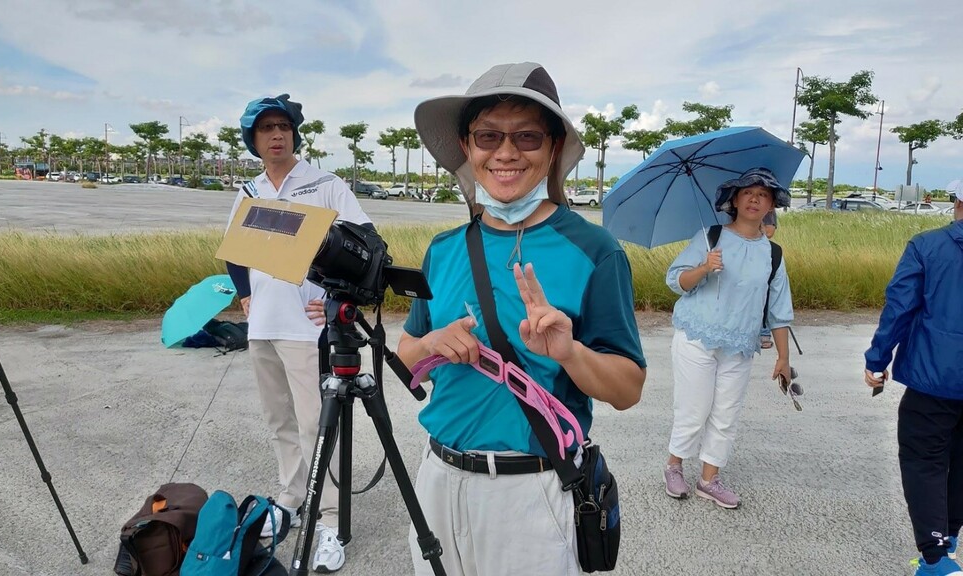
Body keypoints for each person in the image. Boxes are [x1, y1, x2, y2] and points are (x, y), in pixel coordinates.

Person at [397, 62, 647, 575]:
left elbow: (627, 389)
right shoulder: (443, 250)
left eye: (527, 136)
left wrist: (570, 353)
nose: (506, 152)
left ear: (553, 147)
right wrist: (432, 344)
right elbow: (406, 356)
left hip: (532, 491)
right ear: (467, 147)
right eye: (489, 135)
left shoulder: (595, 251)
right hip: (437, 480)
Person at [225, 94, 372, 573]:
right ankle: (291, 497)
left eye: (282, 127)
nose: (275, 136)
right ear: (254, 139)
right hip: (262, 326)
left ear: (294, 133)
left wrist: (336, 298)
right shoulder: (248, 191)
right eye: (265, 129)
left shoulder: (324, 185)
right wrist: (245, 293)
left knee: (316, 423)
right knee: (279, 420)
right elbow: (234, 250)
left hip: (306, 331)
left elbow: (366, 245)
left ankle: (328, 517)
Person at [662, 167, 794, 509]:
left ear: (771, 205)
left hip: (739, 345)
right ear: (733, 199)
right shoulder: (711, 237)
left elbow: (780, 310)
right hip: (697, 337)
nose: (755, 198)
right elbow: (676, 281)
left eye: (763, 195)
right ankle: (674, 466)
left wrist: (784, 358)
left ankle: (709, 479)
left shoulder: (773, 254)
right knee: (693, 408)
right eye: (748, 192)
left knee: (726, 414)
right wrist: (704, 268)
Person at [863, 194, 963, 576]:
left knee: (925, 461)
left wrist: (877, 358)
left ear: (957, 203)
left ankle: (936, 558)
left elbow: (900, 305)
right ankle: (947, 539)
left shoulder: (927, 246)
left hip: (934, 376)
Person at [759, 209, 778, 349]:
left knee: (765, 295)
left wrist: (759, 227)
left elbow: (770, 232)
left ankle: (764, 331)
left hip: (763, 253)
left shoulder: (769, 211)